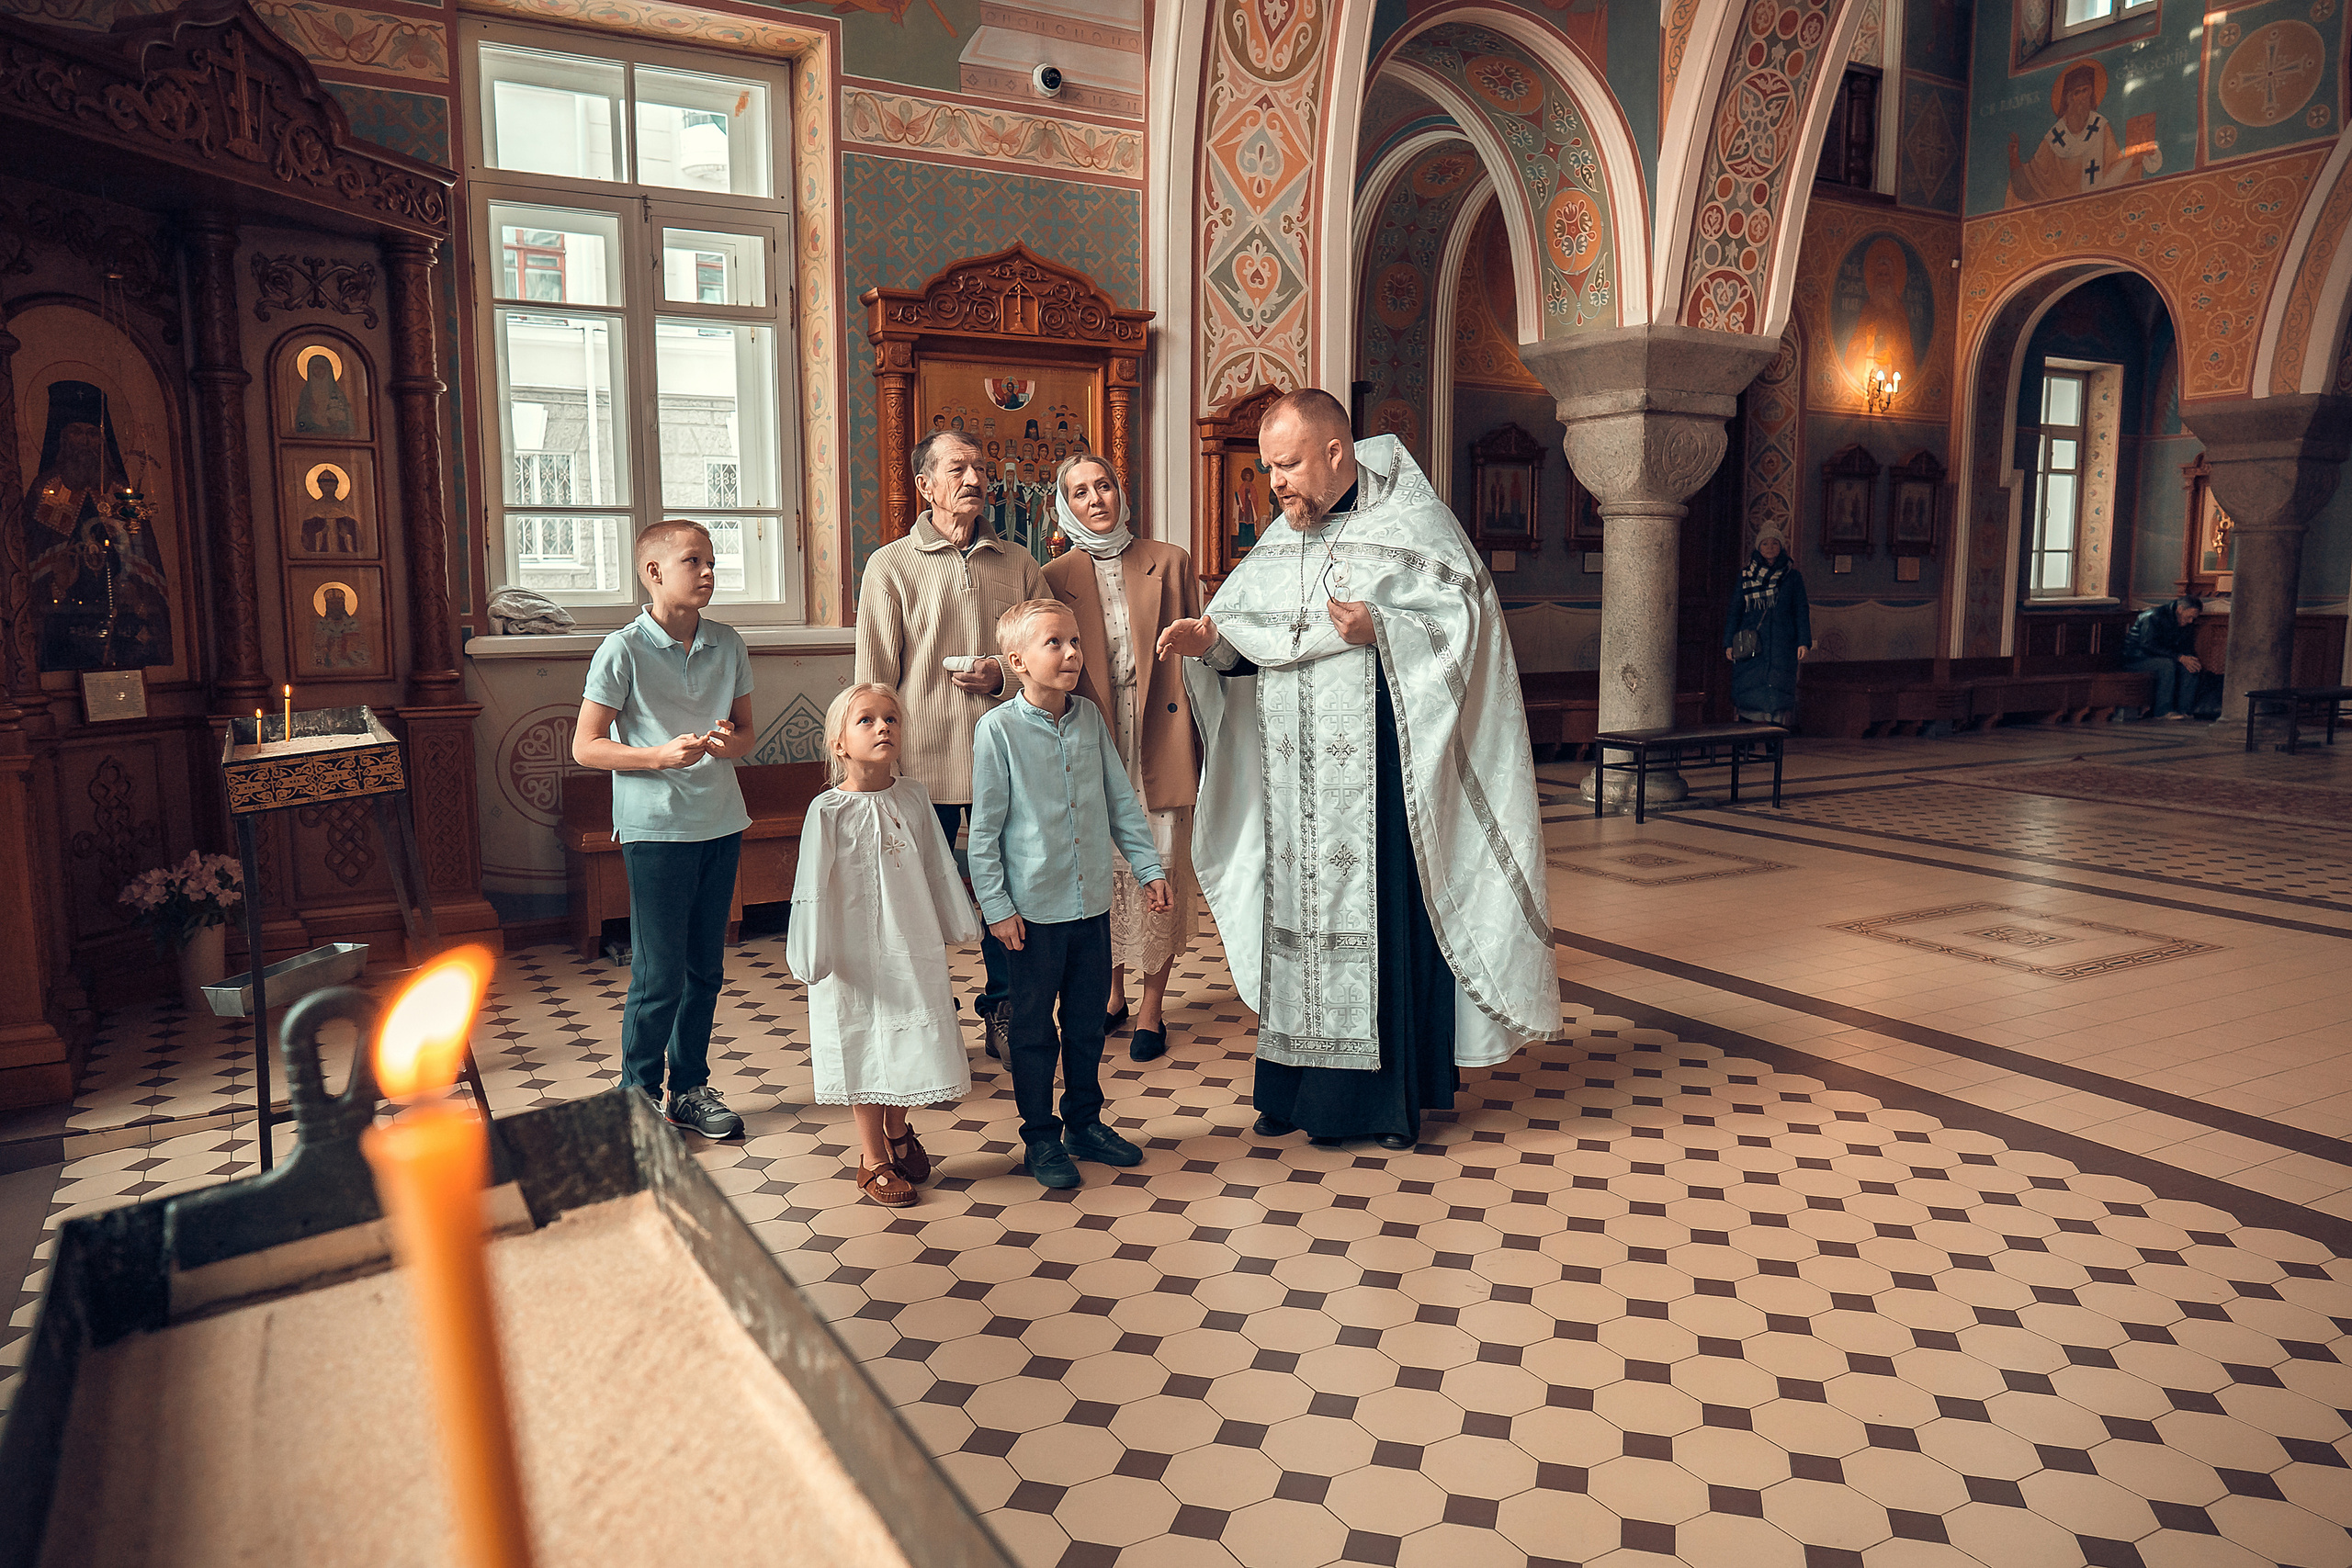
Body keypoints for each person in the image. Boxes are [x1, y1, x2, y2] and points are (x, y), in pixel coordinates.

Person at [1158, 389, 1557, 1151]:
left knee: (1381, 922)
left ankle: (1383, 1104)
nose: (1276, 483)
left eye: (1288, 465)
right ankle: (1290, 1086)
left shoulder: (1414, 522)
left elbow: (1467, 626)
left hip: (1383, 782)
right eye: (1269, 468)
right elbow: (1250, 636)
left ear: (1336, 451)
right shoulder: (1285, 535)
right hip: (1292, 788)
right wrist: (1208, 644)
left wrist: (1386, 627)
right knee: (1294, 927)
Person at [854, 430, 1049, 1059]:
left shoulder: (1018, 563)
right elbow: (874, 680)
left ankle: (1005, 1011)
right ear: (925, 485)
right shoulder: (890, 565)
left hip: (1007, 761)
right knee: (912, 901)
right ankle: (924, 1020)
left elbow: (1049, 654)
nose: (974, 479)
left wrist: (1002, 677)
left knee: (1009, 894)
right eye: (958, 468)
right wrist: (874, 770)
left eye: (980, 468)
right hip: (920, 766)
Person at [969, 599, 1170, 1190]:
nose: (1071, 653)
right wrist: (997, 908)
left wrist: (1149, 868)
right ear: (1017, 662)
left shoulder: (1088, 719)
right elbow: (984, 832)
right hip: (1031, 915)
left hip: (1091, 907)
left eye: (1075, 641)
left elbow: (1121, 801)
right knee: (1033, 1030)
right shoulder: (998, 730)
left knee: (1086, 1023)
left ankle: (1085, 1123)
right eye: (1054, 643)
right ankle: (1041, 1136)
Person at [573, 520, 756, 1139]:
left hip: (720, 821)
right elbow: (586, 746)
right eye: (693, 561)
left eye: (712, 561)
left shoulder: (728, 643)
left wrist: (727, 744)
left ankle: (690, 1090)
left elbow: (746, 734)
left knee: (706, 969)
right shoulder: (621, 649)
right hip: (655, 829)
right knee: (659, 975)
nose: (709, 572)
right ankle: (638, 1097)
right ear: (653, 572)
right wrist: (657, 756)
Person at [786, 683, 982, 1208]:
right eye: (867, 720)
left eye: (891, 718)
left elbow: (938, 864)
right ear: (839, 743)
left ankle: (899, 1130)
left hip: (909, 939)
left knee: (911, 1036)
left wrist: (958, 923)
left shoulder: (913, 796)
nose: (883, 728)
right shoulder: (827, 810)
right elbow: (810, 887)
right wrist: (811, 953)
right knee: (864, 1040)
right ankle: (872, 1157)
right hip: (850, 950)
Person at [1042, 455, 1203, 1063]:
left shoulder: (1170, 560)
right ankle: (1112, 995)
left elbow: (1197, 659)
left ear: (1120, 492)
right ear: (1066, 507)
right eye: (1080, 492)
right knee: (1102, 867)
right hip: (1094, 735)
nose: (1096, 499)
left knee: (1159, 861)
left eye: (1104, 485)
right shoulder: (1053, 575)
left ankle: (1152, 1008)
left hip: (1160, 728)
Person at [1724, 525, 1812, 726]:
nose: (1770, 548)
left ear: (1781, 546)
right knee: (1748, 691)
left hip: (1782, 644)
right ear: (1758, 547)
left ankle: (1775, 739)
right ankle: (1745, 739)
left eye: (1774, 543)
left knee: (1778, 694)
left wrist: (1803, 642)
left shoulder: (1792, 577)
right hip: (1752, 643)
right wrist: (1728, 642)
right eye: (1765, 543)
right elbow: (1735, 610)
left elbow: (1801, 610)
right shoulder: (1746, 576)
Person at [2124, 594, 2205, 721]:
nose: (2191, 621)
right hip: (2137, 658)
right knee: (2167, 665)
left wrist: (2190, 659)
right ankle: (2162, 711)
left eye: (2193, 618)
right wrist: (2179, 657)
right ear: (2180, 609)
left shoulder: (2186, 623)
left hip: (2166, 657)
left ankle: (2185, 711)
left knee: (2192, 665)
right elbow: (2147, 645)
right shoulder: (2153, 616)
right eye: (2189, 617)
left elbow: (2186, 647)